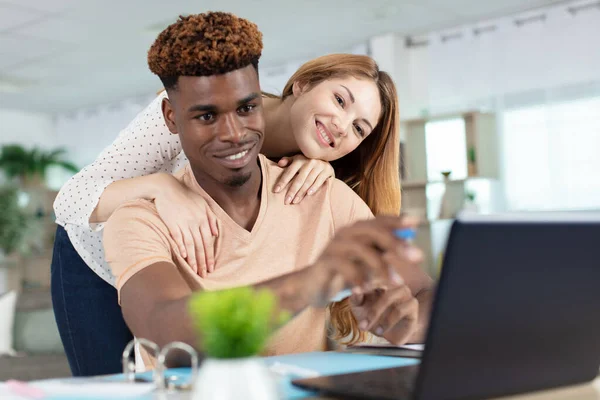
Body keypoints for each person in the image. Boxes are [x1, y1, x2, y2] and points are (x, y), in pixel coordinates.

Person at [52, 22, 401, 377]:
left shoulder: (312, 173)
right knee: (109, 382)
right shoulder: (205, 106)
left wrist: (325, 170)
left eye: (359, 128)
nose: (342, 125)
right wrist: (162, 187)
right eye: (340, 101)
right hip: (93, 255)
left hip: (177, 275)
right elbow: (68, 201)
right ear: (303, 83)